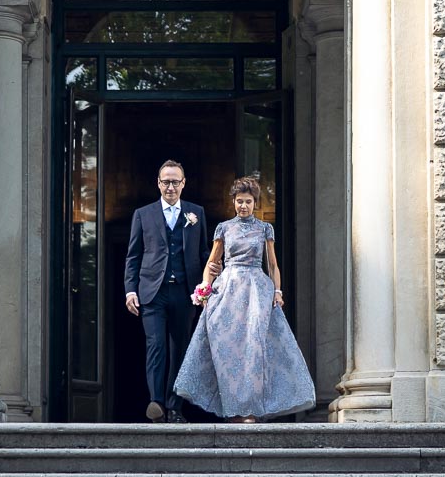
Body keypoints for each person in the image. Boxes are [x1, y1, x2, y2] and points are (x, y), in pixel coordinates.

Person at [173, 174, 314, 422]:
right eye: (239, 201)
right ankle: (232, 410)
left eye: (248, 201)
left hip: (256, 291)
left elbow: (272, 264)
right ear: (233, 202)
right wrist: (205, 288)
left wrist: (277, 292)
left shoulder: (264, 229)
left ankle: (250, 410)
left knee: (253, 350)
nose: (243, 206)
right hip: (227, 290)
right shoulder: (224, 228)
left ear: (255, 203)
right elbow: (212, 262)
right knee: (228, 353)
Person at [123, 159, 207, 422]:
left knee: (180, 350)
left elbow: (204, 253)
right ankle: (156, 402)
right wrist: (130, 290)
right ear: (158, 183)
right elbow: (133, 256)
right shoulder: (143, 214)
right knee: (156, 345)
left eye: (175, 182)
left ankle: (174, 406)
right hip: (152, 292)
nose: (170, 187)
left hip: (185, 292)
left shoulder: (196, 213)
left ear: (184, 183)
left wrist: (209, 285)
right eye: (165, 181)